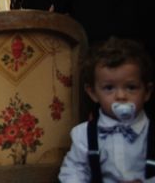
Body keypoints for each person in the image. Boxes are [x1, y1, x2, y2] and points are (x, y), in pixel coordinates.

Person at [58, 37, 153, 182]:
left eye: (131, 87)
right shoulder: (84, 135)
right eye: (109, 88)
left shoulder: (151, 132)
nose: (121, 96)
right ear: (93, 93)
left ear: (147, 91)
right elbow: (73, 172)